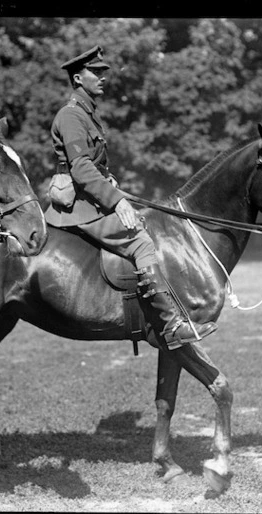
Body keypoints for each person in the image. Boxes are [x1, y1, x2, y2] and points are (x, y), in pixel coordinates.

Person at [45, 45, 217, 350]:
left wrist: (114, 189)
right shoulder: (71, 116)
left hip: (92, 200)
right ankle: (170, 324)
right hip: (80, 208)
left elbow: (94, 167)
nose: (102, 77)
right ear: (77, 79)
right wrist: (118, 201)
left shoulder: (87, 113)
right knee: (140, 240)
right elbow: (81, 167)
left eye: (103, 72)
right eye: (95, 73)